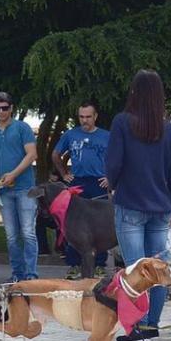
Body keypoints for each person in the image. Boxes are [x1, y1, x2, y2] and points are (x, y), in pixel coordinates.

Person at [107, 70, 171, 341]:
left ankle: (134, 327)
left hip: (130, 205)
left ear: (134, 93)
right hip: (161, 208)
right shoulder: (170, 130)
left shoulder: (122, 123)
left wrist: (113, 185)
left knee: (134, 271)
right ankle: (152, 325)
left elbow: (113, 163)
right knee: (159, 270)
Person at [0, 91, 38, 283]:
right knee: (11, 236)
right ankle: (17, 274)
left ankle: (31, 275)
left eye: (4, 108)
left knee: (28, 232)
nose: (1, 112)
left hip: (25, 188)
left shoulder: (22, 128)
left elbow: (31, 155)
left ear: (11, 108)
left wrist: (13, 174)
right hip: (4, 191)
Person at [52, 101, 110, 279]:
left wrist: (110, 178)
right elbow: (56, 154)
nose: (85, 121)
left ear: (95, 117)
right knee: (72, 224)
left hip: (98, 182)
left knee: (100, 224)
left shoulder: (107, 136)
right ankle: (74, 264)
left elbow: (118, 158)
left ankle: (99, 264)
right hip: (77, 182)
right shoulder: (71, 135)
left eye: (88, 117)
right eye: (81, 117)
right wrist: (64, 173)